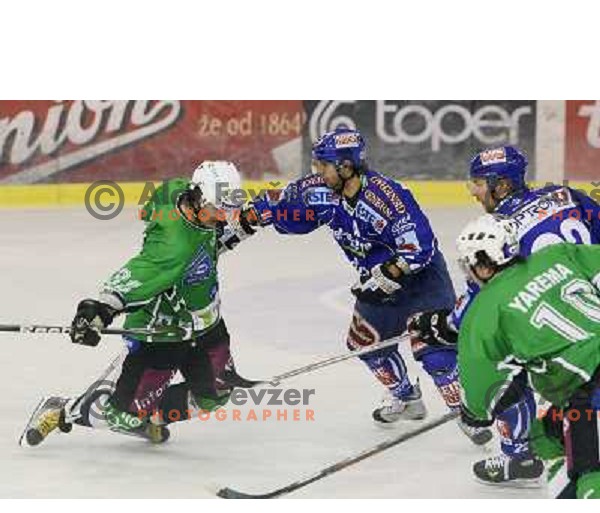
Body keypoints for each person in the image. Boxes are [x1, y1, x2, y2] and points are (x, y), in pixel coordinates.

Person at [251, 127, 490, 445]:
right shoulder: (322, 190)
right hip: (377, 285)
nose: (317, 171)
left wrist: (389, 273)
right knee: (365, 344)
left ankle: (467, 412)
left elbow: (420, 247)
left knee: (436, 354)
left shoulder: (388, 197)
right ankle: (406, 397)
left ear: (346, 167)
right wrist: (265, 212)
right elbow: (294, 211)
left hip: (422, 282)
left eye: (323, 165)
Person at [23, 161, 259, 446]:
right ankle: (62, 410)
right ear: (197, 197)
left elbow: (189, 228)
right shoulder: (171, 248)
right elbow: (140, 273)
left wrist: (250, 220)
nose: (223, 217)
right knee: (121, 416)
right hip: (161, 334)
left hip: (206, 329)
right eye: (218, 210)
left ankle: (152, 416)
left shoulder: (181, 191)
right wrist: (99, 310)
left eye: (227, 210)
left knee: (215, 395)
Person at [408, 145, 600, 485]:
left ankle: (520, 456)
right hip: (587, 300)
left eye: (480, 183)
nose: (474, 192)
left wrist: (440, 324)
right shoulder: (565, 195)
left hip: (558, 336)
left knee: (506, 358)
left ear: (503, 185)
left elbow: (484, 309)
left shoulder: (498, 229)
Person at [455, 214, 600, 499]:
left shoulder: (484, 311)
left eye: (469, 265)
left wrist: (473, 413)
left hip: (588, 389)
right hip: (582, 391)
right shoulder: (558, 255)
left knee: (591, 473)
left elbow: (483, 394)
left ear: (483, 266)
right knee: (544, 436)